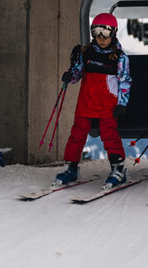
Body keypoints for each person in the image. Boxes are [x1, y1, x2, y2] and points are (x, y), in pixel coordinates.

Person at [54, 13, 131, 188]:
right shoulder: (86, 53)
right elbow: (77, 74)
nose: (101, 38)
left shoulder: (119, 57)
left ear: (114, 33)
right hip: (86, 100)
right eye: (96, 32)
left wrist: (122, 102)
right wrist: (70, 74)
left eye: (105, 33)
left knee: (109, 134)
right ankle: (71, 167)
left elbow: (125, 81)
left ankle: (118, 169)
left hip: (107, 102)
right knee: (77, 133)